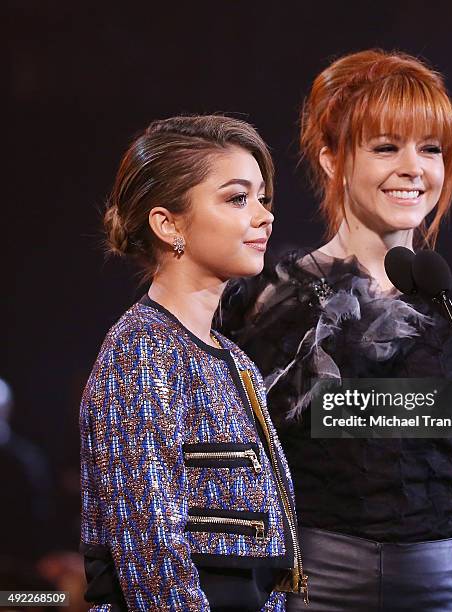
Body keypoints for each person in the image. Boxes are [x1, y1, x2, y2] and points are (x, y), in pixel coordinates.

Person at [221, 50, 452, 611]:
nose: (414, 168)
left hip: (439, 592)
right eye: (386, 147)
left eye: (430, 149)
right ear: (332, 158)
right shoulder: (266, 304)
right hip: (309, 592)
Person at [79, 115, 308, 612]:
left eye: (263, 198)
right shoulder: (141, 350)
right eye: (237, 198)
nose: (264, 216)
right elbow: (150, 547)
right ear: (168, 224)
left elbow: (267, 558)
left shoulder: (238, 362)